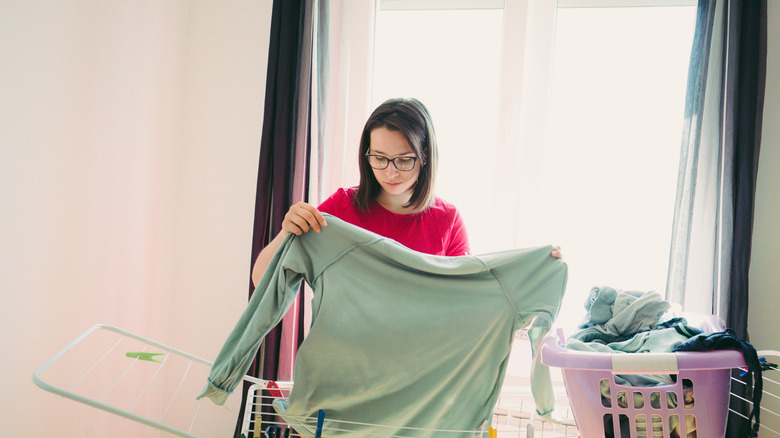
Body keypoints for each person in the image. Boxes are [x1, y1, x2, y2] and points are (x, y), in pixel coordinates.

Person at [252, 97, 561, 286]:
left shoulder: (447, 220)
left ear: (425, 155)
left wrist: (536, 267)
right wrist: (285, 232)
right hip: (346, 360)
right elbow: (263, 279)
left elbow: (471, 294)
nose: (390, 171)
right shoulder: (342, 207)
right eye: (379, 158)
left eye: (403, 159)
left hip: (419, 364)